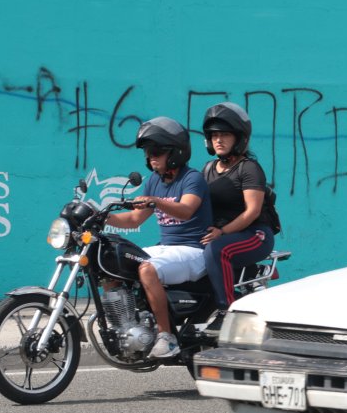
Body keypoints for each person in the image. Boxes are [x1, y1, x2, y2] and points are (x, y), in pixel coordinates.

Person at [106, 117, 212, 358]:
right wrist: (101, 217)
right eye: (147, 152)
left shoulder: (192, 178)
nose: (150, 156)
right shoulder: (154, 180)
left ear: (175, 152)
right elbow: (134, 219)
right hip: (167, 248)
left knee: (146, 269)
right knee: (112, 265)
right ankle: (125, 328)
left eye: (156, 151)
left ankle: (167, 336)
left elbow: (186, 210)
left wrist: (156, 201)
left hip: (194, 251)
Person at [199, 102, 276, 330]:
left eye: (225, 135)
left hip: (254, 234)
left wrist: (221, 232)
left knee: (217, 250)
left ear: (239, 138)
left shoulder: (249, 168)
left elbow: (252, 211)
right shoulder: (207, 169)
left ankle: (227, 310)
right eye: (214, 135)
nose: (218, 140)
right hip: (220, 233)